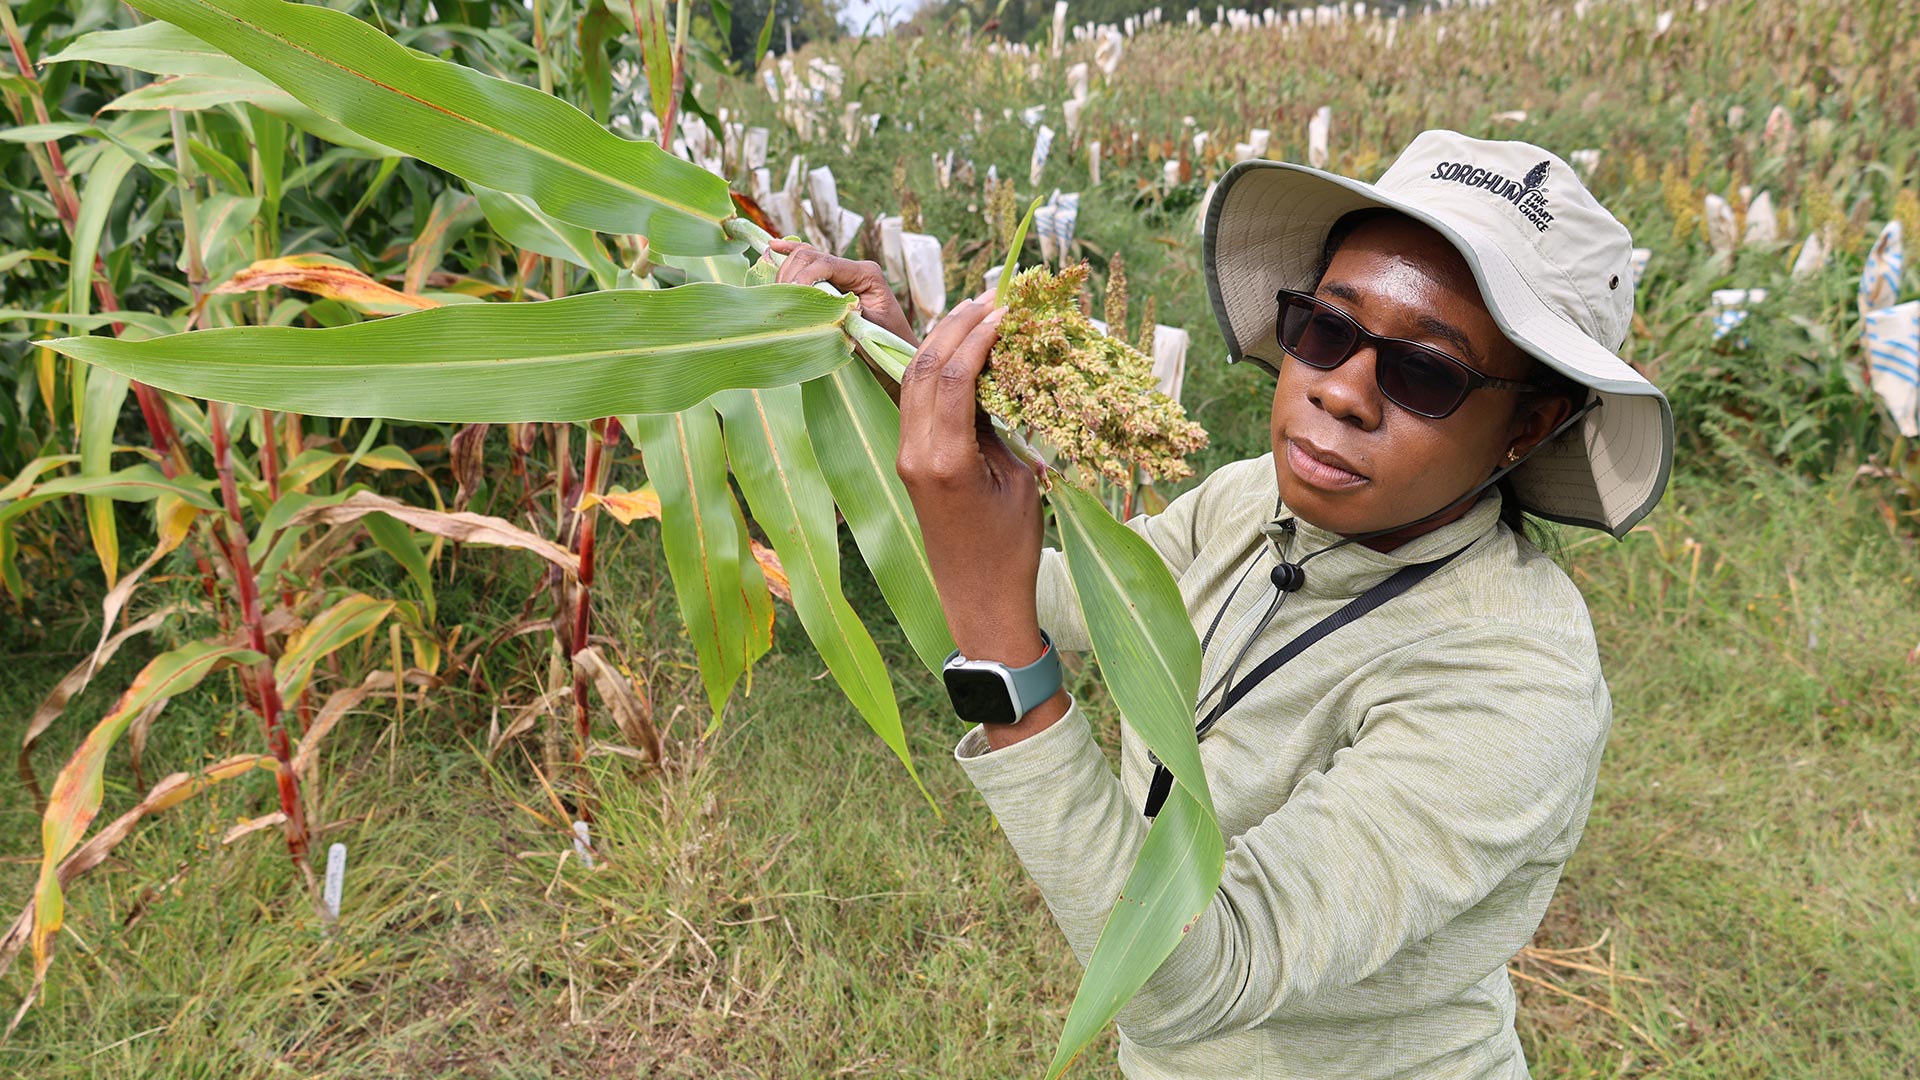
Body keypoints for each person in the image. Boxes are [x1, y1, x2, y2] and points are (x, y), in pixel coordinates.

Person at [771, 130, 1673, 1078]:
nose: (1343, 391)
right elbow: (1057, 591)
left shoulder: (1518, 683)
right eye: (1327, 329)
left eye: (1425, 373)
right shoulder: (1249, 500)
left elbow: (1189, 978)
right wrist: (885, 377)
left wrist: (1006, 667)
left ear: (1526, 428)